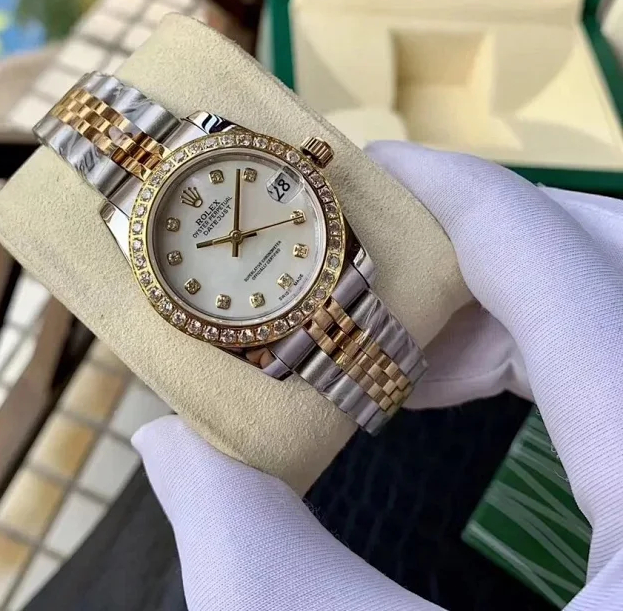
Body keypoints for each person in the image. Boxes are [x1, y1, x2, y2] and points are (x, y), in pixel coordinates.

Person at [132, 142, 623, 611]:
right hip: (285, 318)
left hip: (330, 277)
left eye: (236, 235)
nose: (237, 239)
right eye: (230, 240)